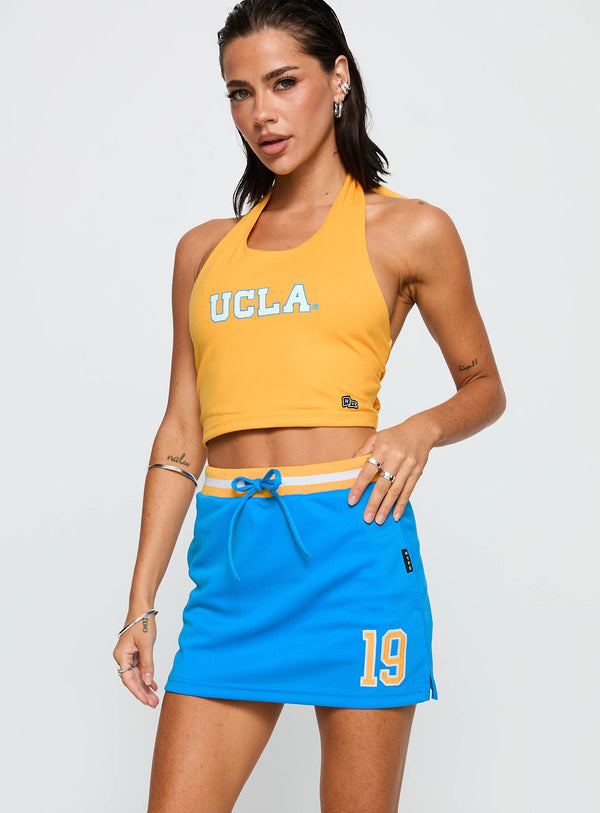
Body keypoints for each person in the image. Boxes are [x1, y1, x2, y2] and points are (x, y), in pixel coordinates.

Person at [113, 1, 506, 810]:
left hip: (354, 553)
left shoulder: (409, 230)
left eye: (283, 82)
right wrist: (140, 600)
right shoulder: (203, 252)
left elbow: (484, 385)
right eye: (240, 91)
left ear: (338, 78)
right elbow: (182, 430)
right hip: (233, 567)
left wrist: (421, 428)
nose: (261, 112)